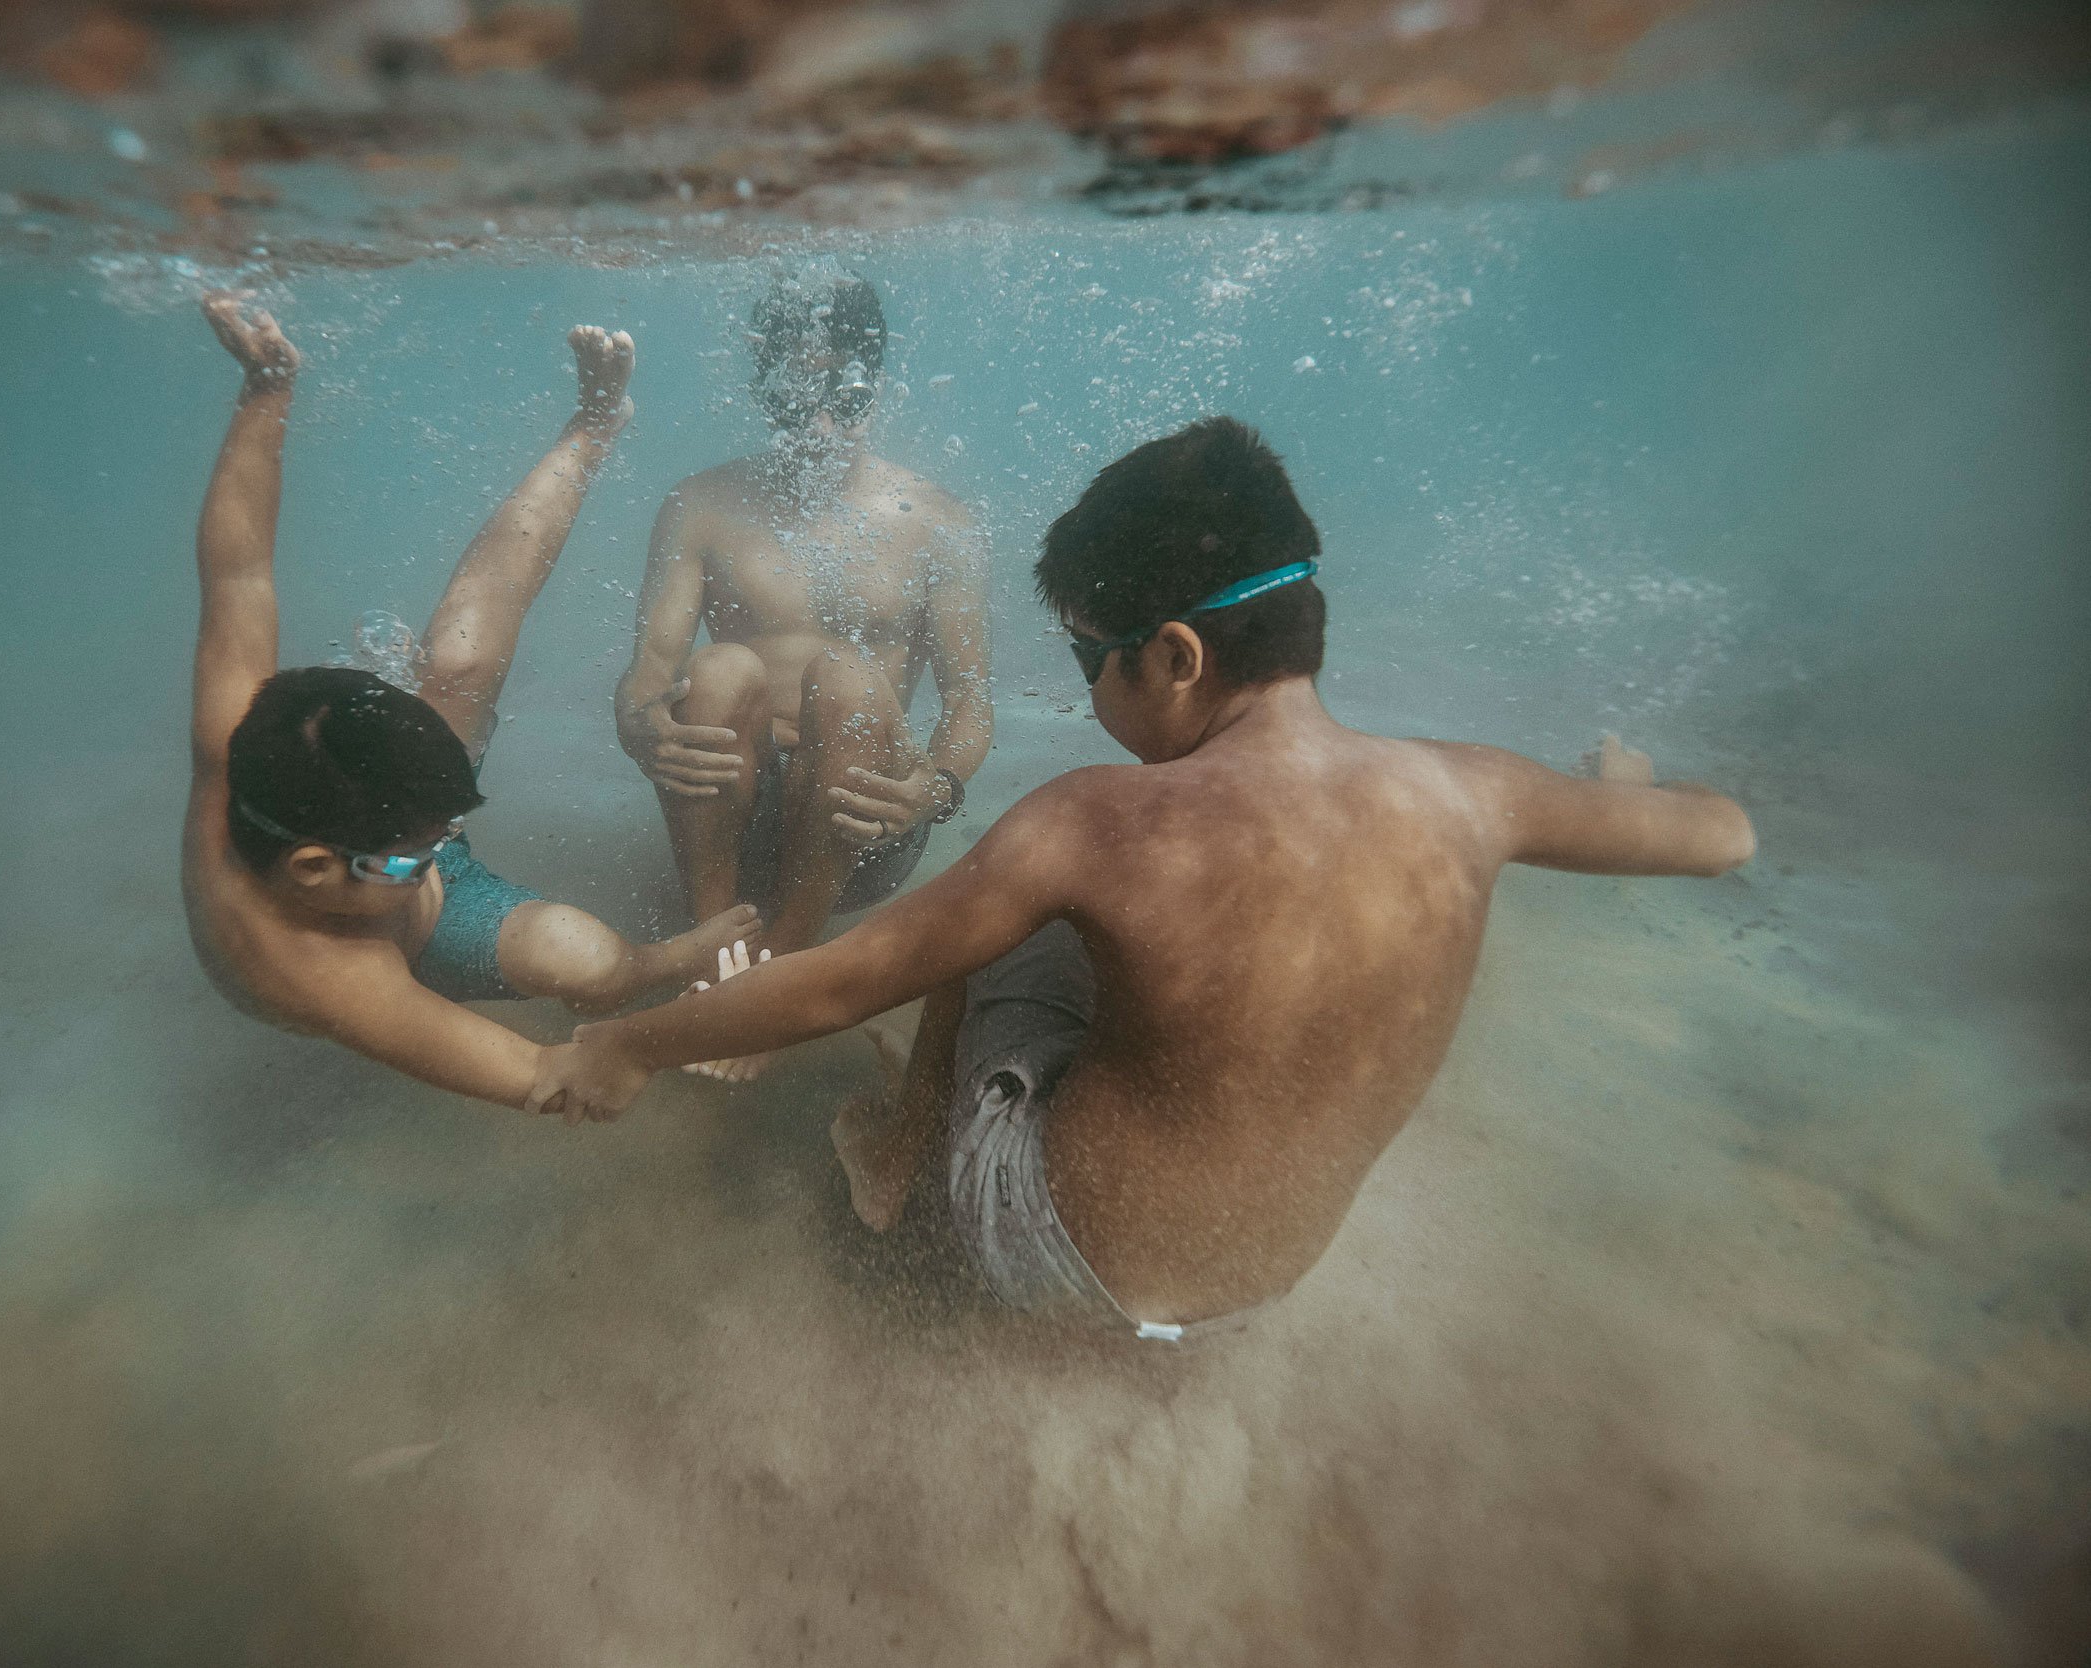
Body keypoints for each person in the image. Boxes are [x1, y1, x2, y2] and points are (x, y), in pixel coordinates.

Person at [532, 417, 1757, 1334]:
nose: (1084, 693)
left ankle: (908, 1158)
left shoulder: (1094, 820)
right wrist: (1628, 789)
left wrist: (632, 1046)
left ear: (1170, 657)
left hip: (1059, 1259)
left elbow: (841, 982)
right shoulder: (1480, 789)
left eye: (1085, 661)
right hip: (1266, 1283)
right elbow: (1724, 838)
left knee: (1001, 921)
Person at [182, 294, 755, 1110]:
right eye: (421, 852)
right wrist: (641, 1043)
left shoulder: (237, 739)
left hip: (364, 847)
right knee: (589, 962)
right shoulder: (331, 978)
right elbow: (542, 1077)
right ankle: (662, 961)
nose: (435, 858)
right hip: (415, 944)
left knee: (457, 660)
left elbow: (238, 574)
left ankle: (594, 424)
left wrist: (267, 388)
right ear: (314, 869)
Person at [611, 273, 993, 1079]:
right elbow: (646, 677)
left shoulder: (942, 522)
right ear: (765, 392)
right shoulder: (702, 502)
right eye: (793, 401)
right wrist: (639, 727)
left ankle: (782, 968)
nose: (817, 424)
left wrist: (937, 788)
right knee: (717, 668)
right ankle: (716, 949)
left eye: (843, 400)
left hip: (865, 825)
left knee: (848, 677)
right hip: (729, 814)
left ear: (873, 386)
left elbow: (969, 704)